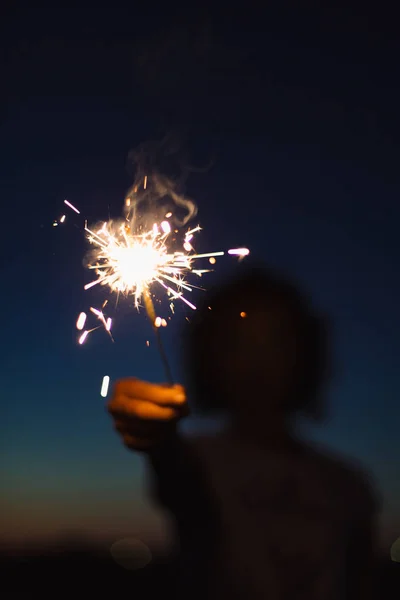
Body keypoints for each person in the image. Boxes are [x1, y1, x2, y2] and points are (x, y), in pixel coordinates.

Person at [107, 263, 380, 599]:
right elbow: (179, 478)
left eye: (275, 341)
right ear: (211, 355)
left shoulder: (349, 486)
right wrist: (158, 440)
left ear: (307, 352)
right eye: (239, 343)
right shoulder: (200, 461)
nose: (257, 361)